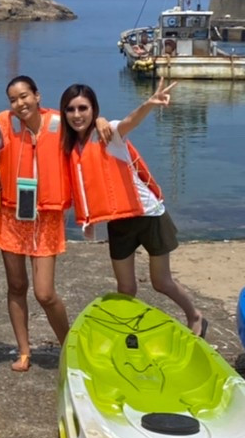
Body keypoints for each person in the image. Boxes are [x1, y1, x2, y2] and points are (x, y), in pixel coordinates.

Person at [61, 81, 205, 336]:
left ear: (93, 109)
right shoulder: (70, 145)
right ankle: (127, 330)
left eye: (83, 108)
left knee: (161, 282)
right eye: (71, 109)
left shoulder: (110, 133)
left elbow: (130, 121)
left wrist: (148, 104)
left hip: (149, 214)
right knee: (125, 287)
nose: (77, 115)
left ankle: (195, 315)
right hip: (119, 220)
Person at [0, 75, 71, 372]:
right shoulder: (3, 124)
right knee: (16, 285)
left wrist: (101, 121)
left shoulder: (60, 124)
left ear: (37, 96)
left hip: (47, 217)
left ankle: (68, 345)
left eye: (24, 96)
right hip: (13, 215)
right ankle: (24, 351)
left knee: (44, 293)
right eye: (13, 99)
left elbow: (88, 130)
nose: (19, 103)